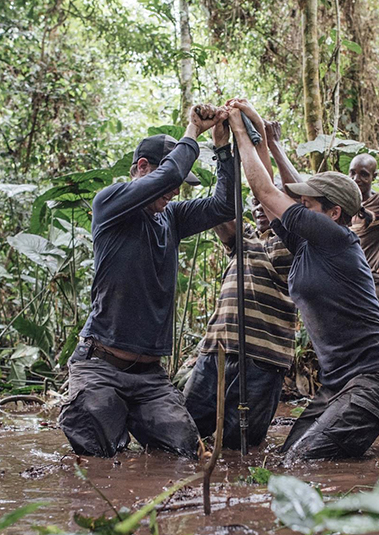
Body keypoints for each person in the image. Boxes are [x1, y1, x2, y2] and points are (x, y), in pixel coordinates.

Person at [227, 100, 379, 460]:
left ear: (333, 213)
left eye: (309, 204)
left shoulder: (335, 237)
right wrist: (256, 126)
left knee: (303, 463)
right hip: (337, 386)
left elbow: (267, 193)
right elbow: (279, 189)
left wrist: (239, 132)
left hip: (373, 381)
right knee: (287, 458)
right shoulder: (308, 243)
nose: (299, 206)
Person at [59, 104, 235, 458]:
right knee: (98, 458)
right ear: (142, 168)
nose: (175, 192)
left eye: (181, 187)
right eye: (171, 183)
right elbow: (168, 178)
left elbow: (224, 206)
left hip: (150, 378)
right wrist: (192, 130)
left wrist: (223, 148)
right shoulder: (110, 202)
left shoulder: (171, 217)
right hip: (100, 367)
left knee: (184, 454)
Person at [182, 118, 297, 450]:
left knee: (241, 448)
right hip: (217, 354)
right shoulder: (243, 239)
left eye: (268, 203)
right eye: (255, 205)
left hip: (264, 360)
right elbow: (220, 211)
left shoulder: (297, 243)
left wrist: (260, 141)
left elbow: (275, 192)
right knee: (185, 436)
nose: (261, 208)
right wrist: (222, 147)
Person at [348, 153, 379, 331]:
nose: (356, 179)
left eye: (364, 174)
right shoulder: (347, 208)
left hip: (377, 285)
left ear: (374, 177)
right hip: (352, 286)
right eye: (352, 173)